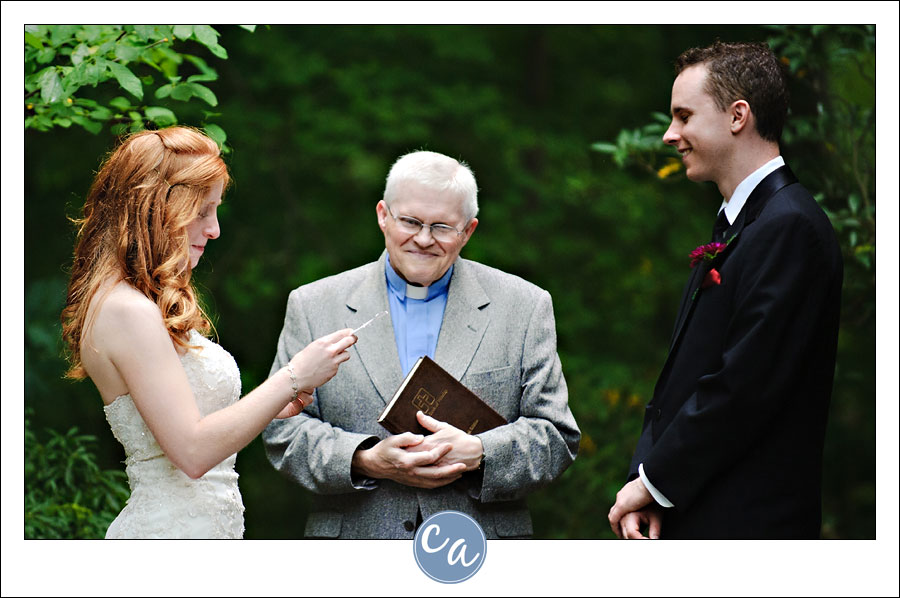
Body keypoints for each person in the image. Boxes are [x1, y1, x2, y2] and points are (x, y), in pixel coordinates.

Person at [263, 150, 580, 539]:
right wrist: (365, 460)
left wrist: (480, 453)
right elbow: (282, 430)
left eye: (443, 227)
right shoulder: (313, 305)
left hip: (477, 547)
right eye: (410, 221)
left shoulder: (524, 306)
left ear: (468, 231)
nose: (424, 239)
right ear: (383, 215)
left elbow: (556, 437)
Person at [60, 126, 357, 538]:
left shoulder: (137, 304)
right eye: (202, 211)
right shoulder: (127, 310)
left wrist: (274, 402)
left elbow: (192, 428)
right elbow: (193, 452)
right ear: (157, 209)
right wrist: (293, 378)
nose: (214, 229)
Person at [607, 41, 843, 539]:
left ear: (738, 116)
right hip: (697, 511)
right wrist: (646, 479)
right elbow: (681, 380)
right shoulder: (740, 226)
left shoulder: (791, 227)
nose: (671, 135)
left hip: (748, 527)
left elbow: (745, 382)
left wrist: (654, 480)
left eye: (684, 116)